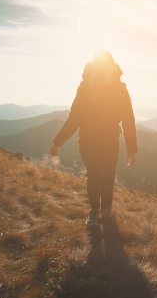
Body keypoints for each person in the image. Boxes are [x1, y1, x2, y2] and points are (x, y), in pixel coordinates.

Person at [50, 51, 138, 226]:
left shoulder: (121, 91)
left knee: (108, 176)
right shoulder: (85, 88)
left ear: (113, 67)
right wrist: (58, 141)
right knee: (96, 172)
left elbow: (128, 119)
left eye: (108, 66)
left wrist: (131, 148)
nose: (105, 70)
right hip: (88, 139)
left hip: (111, 139)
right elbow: (75, 117)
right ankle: (93, 212)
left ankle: (105, 212)